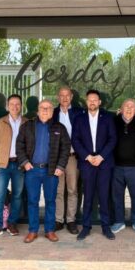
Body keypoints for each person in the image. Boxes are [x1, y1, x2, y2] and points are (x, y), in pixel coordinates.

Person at [16, 99, 70, 243]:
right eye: (42, 107)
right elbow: (19, 145)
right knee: (32, 201)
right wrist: (25, 162)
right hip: (32, 170)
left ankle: (49, 230)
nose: (45, 110)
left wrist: (60, 166)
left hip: (51, 171)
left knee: (50, 201)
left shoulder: (59, 127)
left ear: (52, 111)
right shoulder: (28, 126)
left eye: (48, 108)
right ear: (38, 110)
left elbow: (65, 148)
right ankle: (33, 231)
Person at [72, 89, 117, 240]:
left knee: (104, 196)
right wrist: (87, 156)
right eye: (89, 100)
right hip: (87, 163)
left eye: (95, 100)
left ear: (99, 102)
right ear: (86, 102)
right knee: (88, 196)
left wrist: (101, 156)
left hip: (104, 163)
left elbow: (112, 139)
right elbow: (75, 140)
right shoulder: (79, 118)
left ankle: (106, 227)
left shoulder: (108, 118)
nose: (92, 102)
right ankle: (86, 227)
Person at [0, 94, 27, 239]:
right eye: (12, 104)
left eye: (17, 104)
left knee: (17, 195)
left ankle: (12, 223)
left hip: (19, 164)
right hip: (2, 164)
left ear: (21, 106)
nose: (15, 107)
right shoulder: (0, 122)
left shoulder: (27, 123)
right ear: (7, 106)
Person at [111, 98, 135, 235]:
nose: (129, 108)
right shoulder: (114, 122)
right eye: (126, 106)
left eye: (132, 106)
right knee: (117, 195)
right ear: (121, 108)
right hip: (116, 166)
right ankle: (119, 221)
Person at [53, 86, 83, 234]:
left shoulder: (79, 112)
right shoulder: (53, 113)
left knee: (72, 190)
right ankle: (58, 220)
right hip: (57, 158)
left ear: (71, 97)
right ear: (58, 97)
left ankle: (71, 220)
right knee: (58, 190)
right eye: (62, 95)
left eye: (67, 95)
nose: (64, 98)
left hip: (72, 157)